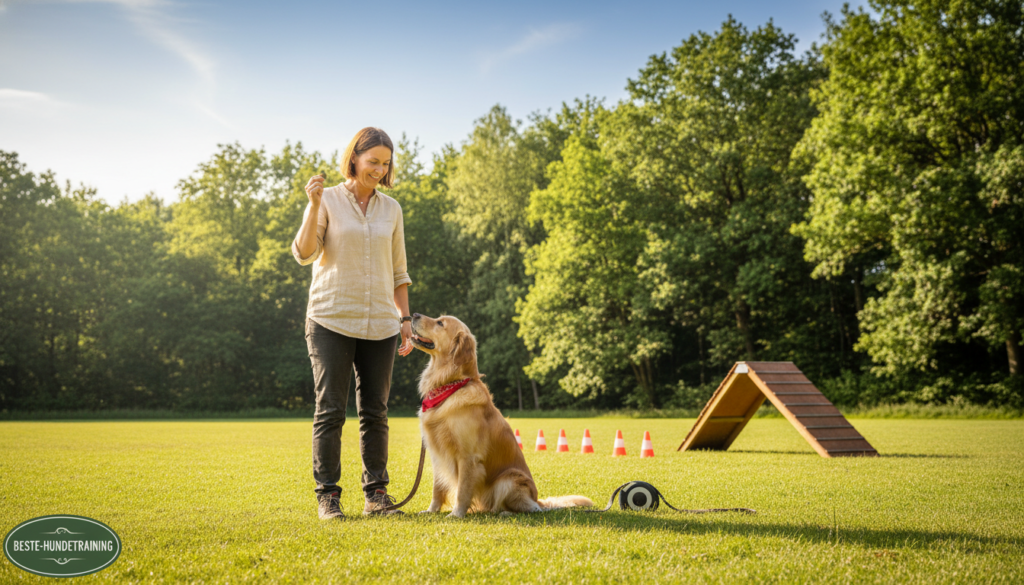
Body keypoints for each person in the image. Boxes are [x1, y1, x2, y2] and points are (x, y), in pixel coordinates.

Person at [292, 127, 414, 520]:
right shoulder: (326, 199)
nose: (379, 169)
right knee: (330, 410)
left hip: (381, 321)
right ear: (355, 158)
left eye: (385, 163)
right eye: (373, 161)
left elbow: (399, 271)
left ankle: (376, 494)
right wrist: (312, 206)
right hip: (331, 317)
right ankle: (328, 496)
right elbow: (304, 252)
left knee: (375, 412)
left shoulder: (391, 209)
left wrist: (405, 319)